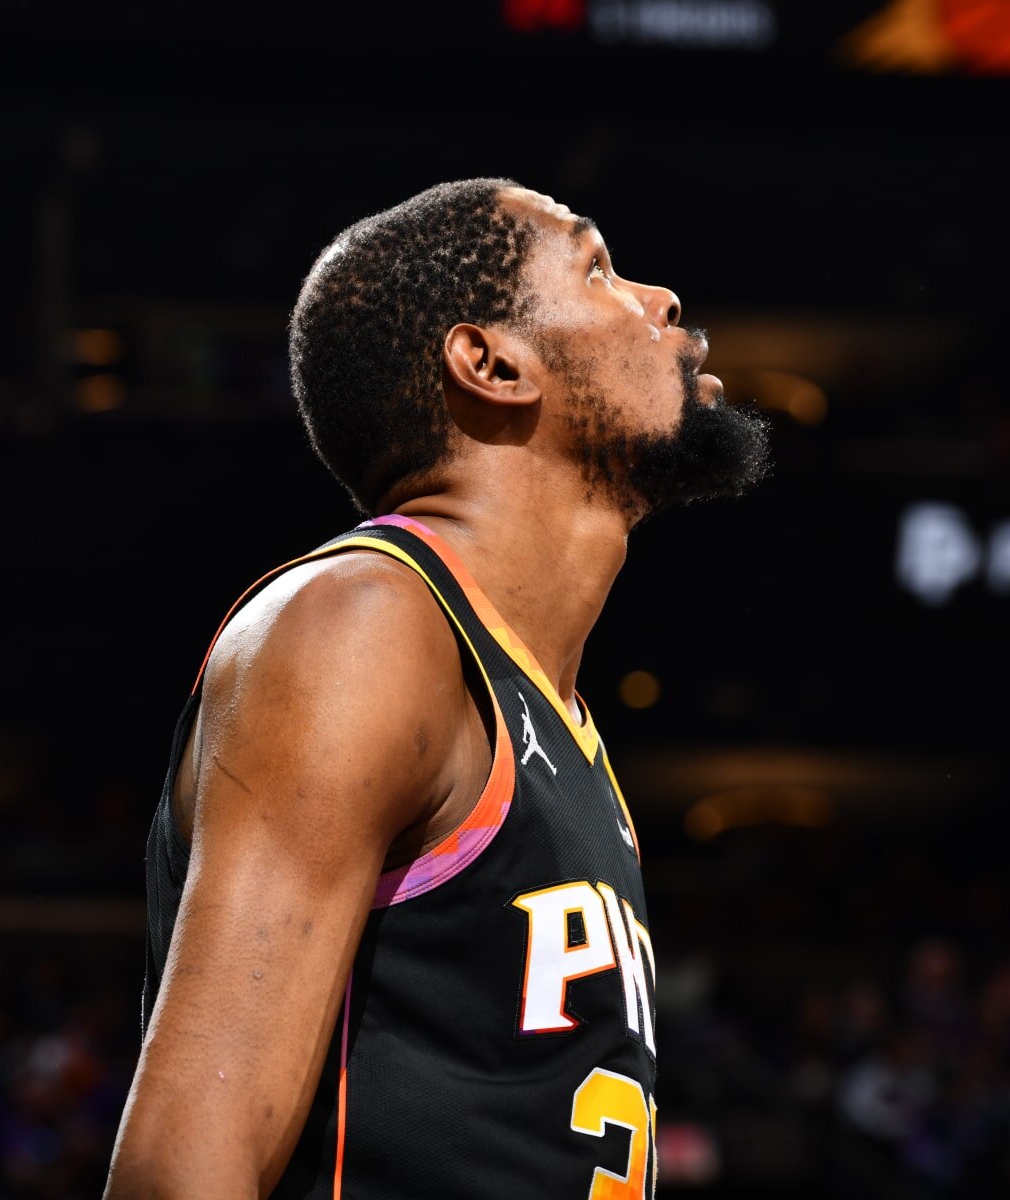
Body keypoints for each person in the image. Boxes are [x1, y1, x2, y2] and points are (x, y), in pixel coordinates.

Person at [105, 179, 771, 1199]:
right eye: (597, 268)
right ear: (491, 363)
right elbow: (184, 1166)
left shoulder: (553, 718)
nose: (662, 299)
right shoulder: (364, 624)